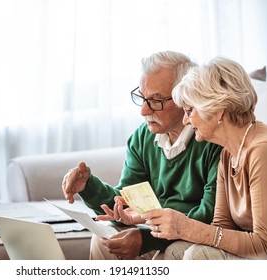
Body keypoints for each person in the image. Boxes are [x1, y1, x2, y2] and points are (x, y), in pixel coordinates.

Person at [62, 51, 223, 260]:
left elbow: (210, 215)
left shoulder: (212, 140)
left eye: (156, 100)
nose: (144, 111)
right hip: (156, 231)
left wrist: (147, 238)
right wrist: (87, 186)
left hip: (192, 233)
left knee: (173, 253)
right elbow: (126, 204)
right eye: (142, 97)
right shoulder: (143, 137)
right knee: (103, 239)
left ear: (185, 97)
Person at [142, 56, 267, 259]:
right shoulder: (228, 153)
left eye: (189, 110)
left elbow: (265, 245)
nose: (185, 120)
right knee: (176, 252)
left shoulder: (265, 151)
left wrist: (187, 227)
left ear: (218, 110)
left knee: (198, 255)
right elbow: (221, 226)